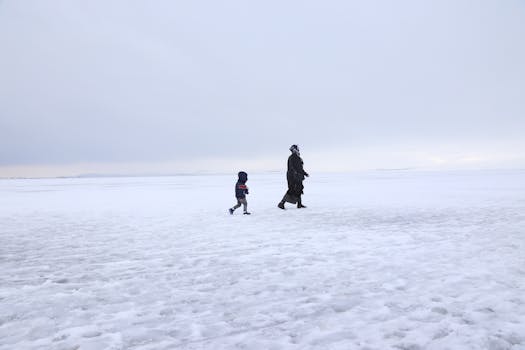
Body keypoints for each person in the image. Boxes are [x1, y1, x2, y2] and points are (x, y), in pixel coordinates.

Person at [278, 145, 309, 209]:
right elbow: (292, 167)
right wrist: (295, 173)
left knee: (299, 189)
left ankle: (299, 204)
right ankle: (281, 203)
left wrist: (305, 173)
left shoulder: (298, 157)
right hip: (292, 176)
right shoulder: (292, 157)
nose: (298, 150)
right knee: (292, 189)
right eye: (297, 149)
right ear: (294, 150)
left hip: (298, 176)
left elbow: (300, 168)